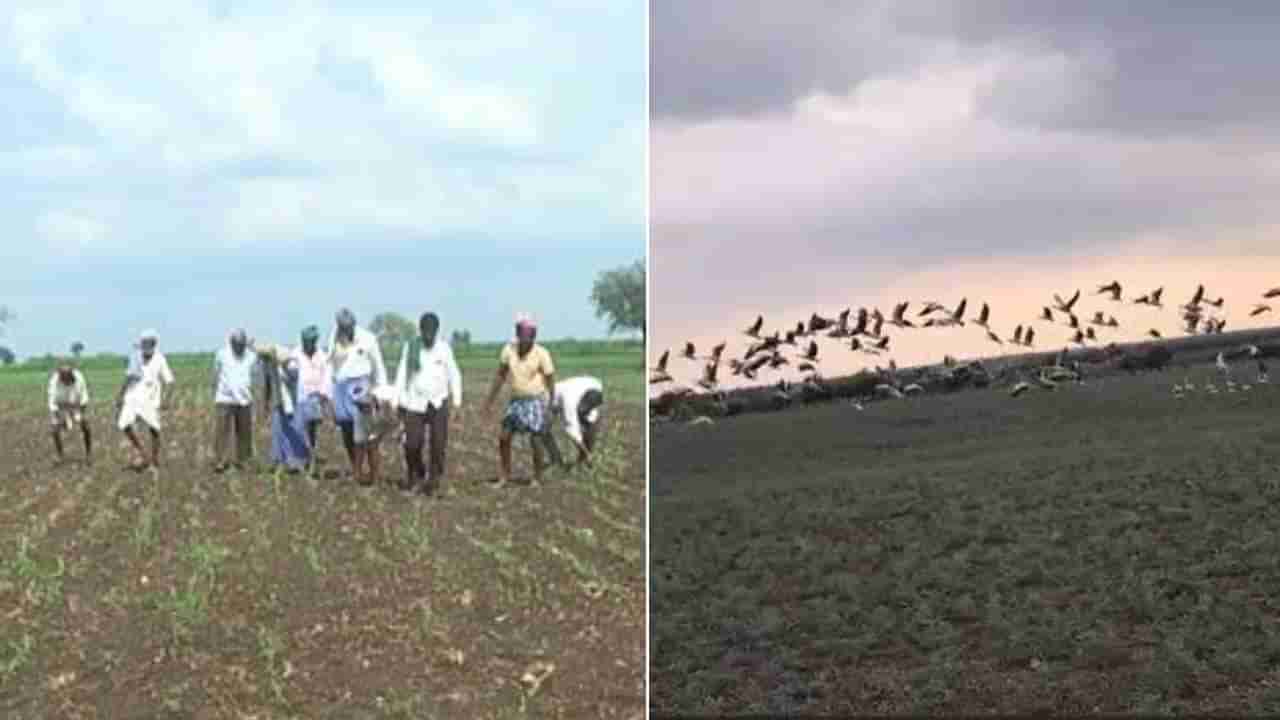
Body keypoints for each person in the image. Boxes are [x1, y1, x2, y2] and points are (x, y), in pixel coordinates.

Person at [392, 312, 463, 496]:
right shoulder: (412, 347)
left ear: (436, 330)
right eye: (425, 331)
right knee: (412, 444)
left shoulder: (444, 349)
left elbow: (454, 375)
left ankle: (434, 482)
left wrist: (456, 403)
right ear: (421, 330)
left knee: (438, 445)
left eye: (432, 331)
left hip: (438, 401)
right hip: (415, 401)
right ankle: (415, 476)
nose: (428, 335)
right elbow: (402, 374)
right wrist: (397, 400)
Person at [483, 313, 557, 488]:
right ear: (517, 334)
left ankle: (537, 477)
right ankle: (505, 476)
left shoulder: (542, 353)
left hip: (536, 400)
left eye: (530, 335)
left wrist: (551, 406)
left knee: (536, 439)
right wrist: (489, 401)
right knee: (504, 436)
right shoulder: (508, 350)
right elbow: (500, 375)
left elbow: (550, 379)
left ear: (534, 335)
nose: (526, 339)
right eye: (523, 335)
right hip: (516, 401)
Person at [326, 308, 389, 486]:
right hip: (340, 387)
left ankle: (374, 475)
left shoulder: (368, 339)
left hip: (361, 386)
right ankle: (357, 470)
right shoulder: (333, 338)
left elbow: (379, 366)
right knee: (347, 430)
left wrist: (380, 392)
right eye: (342, 327)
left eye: (348, 327)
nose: (345, 330)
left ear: (354, 324)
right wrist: (329, 393)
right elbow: (330, 364)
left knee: (366, 434)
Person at [115, 329, 175, 470]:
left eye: (149, 343)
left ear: (154, 344)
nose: (146, 346)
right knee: (124, 424)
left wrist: (167, 399)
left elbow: (170, 381)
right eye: (144, 343)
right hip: (133, 396)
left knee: (154, 428)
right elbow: (129, 377)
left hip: (150, 397)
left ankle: (154, 460)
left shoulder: (160, 358)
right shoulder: (135, 357)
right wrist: (120, 395)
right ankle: (142, 451)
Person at [211, 329, 259, 473]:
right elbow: (216, 373)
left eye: (241, 345)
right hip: (225, 398)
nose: (239, 347)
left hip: (244, 399)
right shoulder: (222, 354)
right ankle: (220, 461)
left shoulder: (251, 356)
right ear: (231, 343)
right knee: (221, 432)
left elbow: (255, 375)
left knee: (244, 433)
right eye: (236, 344)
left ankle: (243, 461)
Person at [258, 343, 311, 473]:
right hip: (279, 402)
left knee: (294, 432)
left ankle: (298, 461)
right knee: (278, 433)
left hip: (293, 403)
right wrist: (265, 405)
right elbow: (268, 384)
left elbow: (295, 381)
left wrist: (282, 365)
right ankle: (279, 460)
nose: (263, 360)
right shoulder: (268, 365)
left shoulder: (290, 365)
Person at [291, 325, 332, 472]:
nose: (307, 344)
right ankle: (300, 458)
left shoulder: (322, 355)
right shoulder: (295, 354)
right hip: (300, 397)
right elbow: (291, 373)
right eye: (305, 341)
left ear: (314, 341)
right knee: (299, 429)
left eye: (310, 341)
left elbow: (327, 376)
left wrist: (323, 394)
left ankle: (309, 458)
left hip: (316, 397)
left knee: (312, 429)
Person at [549, 375, 605, 469]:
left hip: (575, 391)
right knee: (543, 430)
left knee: (591, 425)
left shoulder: (596, 386)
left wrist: (588, 450)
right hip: (550, 400)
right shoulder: (569, 403)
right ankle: (555, 460)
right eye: (583, 411)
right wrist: (586, 454)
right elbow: (571, 430)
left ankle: (582, 460)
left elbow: (592, 420)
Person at [48, 362, 92, 464]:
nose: (66, 379)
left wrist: (80, 414)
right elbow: (52, 401)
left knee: (86, 426)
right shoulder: (54, 381)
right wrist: (60, 417)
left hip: (75, 405)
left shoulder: (79, 378)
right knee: (54, 430)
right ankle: (60, 455)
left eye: (68, 376)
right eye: (63, 377)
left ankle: (88, 454)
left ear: (71, 375)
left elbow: (84, 398)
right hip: (60, 407)